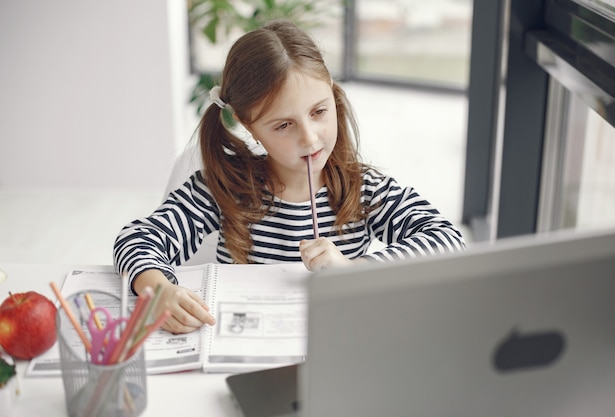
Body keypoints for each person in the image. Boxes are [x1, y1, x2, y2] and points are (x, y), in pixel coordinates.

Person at [113, 19, 465, 334]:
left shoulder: (365, 190)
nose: (310, 138)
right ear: (247, 124)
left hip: (340, 344)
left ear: (333, 93)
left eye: (319, 112)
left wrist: (357, 269)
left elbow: (448, 240)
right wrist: (156, 289)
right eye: (283, 125)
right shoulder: (221, 189)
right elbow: (137, 238)